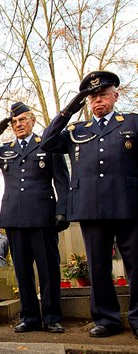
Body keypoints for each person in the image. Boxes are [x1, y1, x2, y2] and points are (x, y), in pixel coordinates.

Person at [41, 70, 138, 339]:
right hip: (91, 208)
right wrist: (68, 111)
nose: (98, 100)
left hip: (128, 204)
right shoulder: (76, 130)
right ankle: (106, 319)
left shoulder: (132, 123)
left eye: (103, 94)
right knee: (97, 266)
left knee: (135, 263)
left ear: (115, 95)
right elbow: (48, 142)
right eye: (93, 96)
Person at [0, 102, 69, 334]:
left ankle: (52, 317)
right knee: (22, 271)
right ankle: (29, 317)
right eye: (14, 122)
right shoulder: (6, 150)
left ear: (33, 121)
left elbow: (61, 181)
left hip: (42, 217)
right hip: (14, 218)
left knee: (48, 270)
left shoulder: (47, 144)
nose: (18, 125)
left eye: (23, 120)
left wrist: (62, 210)